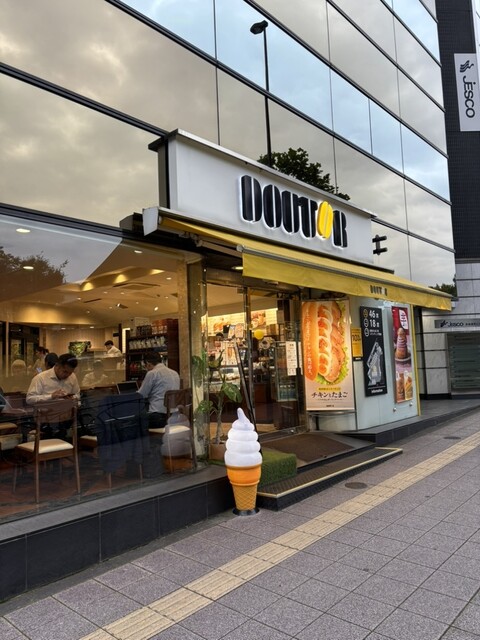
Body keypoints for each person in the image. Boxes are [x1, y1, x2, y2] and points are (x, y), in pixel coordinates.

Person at [137, 351, 180, 429]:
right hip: (175, 416)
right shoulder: (175, 373)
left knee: (131, 422)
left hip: (158, 417)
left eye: (145, 366)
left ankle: (146, 437)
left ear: (148, 363)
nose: (146, 368)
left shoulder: (152, 373)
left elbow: (141, 394)